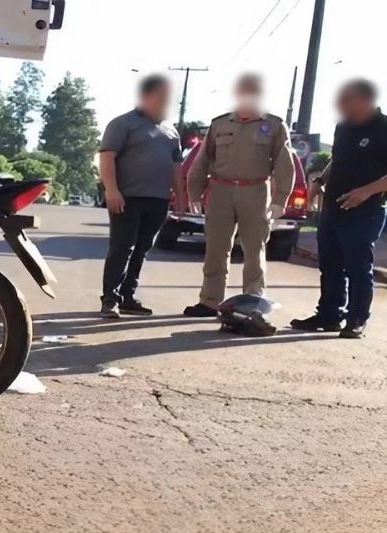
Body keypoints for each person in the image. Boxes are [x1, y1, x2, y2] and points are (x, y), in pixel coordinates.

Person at [183, 74, 295, 318]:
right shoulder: (220, 124)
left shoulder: (274, 126)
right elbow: (202, 161)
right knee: (216, 248)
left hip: (255, 191)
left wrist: (280, 198)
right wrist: (195, 191)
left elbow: (284, 164)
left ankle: (253, 301)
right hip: (220, 191)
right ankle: (210, 301)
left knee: (255, 249)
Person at [290, 79, 387, 339]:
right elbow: (337, 159)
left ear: (366, 99)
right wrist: (320, 180)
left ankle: (356, 319)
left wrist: (367, 190)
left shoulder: (384, 127)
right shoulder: (343, 126)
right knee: (330, 264)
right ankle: (329, 315)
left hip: (365, 210)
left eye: (348, 99)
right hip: (333, 207)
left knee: (358, 266)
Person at [98, 74, 186, 319]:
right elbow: (107, 157)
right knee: (122, 247)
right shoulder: (123, 123)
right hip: (127, 198)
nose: (167, 102)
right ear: (146, 96)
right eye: (162, 96)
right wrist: (111, 190)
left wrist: (179, 197)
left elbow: (176, 166)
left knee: (142, 249)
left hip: (157, 200)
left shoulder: (170, 130)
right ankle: (110, 299)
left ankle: (128, 297)